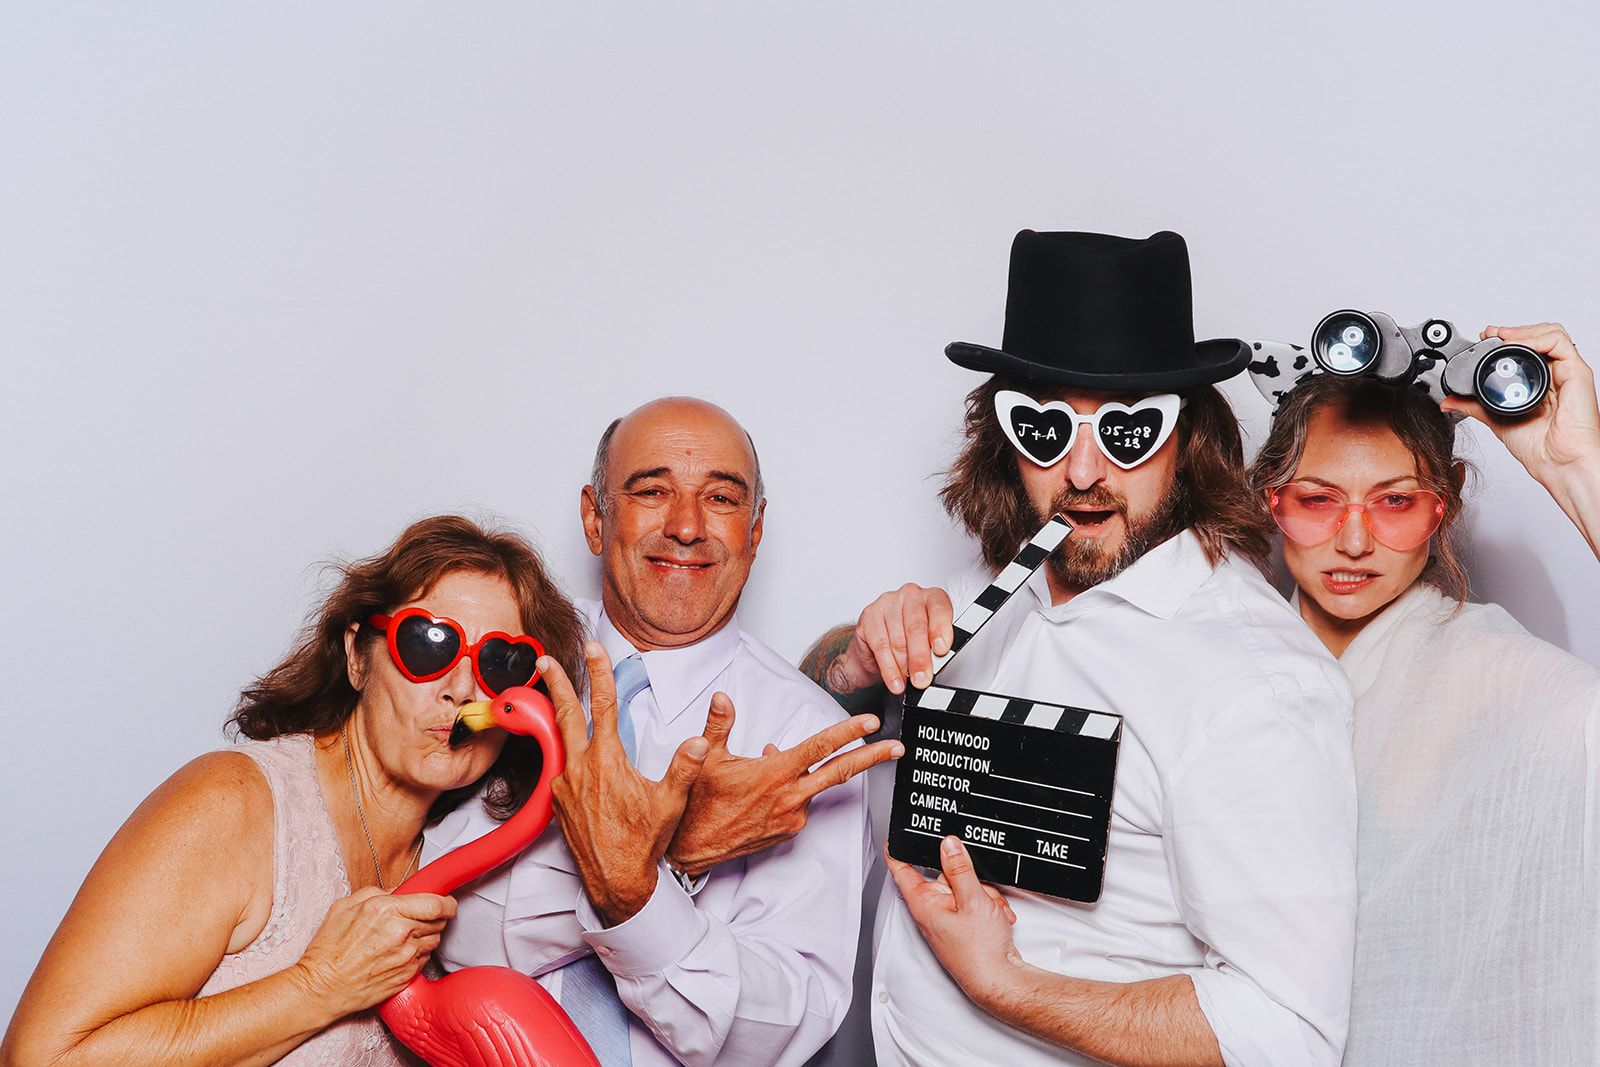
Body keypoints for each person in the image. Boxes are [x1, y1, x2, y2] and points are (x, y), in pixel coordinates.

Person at [809, 230, 1359, 1066]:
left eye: (1129, 432)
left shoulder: (1252, 685)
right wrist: (855, 658)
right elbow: (821, 701)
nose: (1084, 471)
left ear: (1189, 436)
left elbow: (1290, 1029)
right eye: (1044, 429)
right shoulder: (995, 589)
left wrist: (1007, 985)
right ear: (1004, 437)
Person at [0, 515, 588, 1067]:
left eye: (500, 664)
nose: (461, 689)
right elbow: (43, 1057)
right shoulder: (235, 803)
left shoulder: (468, 869)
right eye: (429, 644)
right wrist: (319, 986)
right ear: (359, 655)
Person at [427, 397, 898, 1067]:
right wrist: (670, 853)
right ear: (595, 517)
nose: (686, 526)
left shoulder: (801, 737)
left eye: (722, 499)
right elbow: (446, 924)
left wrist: (633, 888)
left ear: (755, 531)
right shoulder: (511, 660)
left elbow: (780, 1025)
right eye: (652, 490)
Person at [1247, 323, 1600, 1063]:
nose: (1353, 541)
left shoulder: (1496, 674)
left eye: (1396, 502)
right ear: (1268, 500)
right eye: (1316, 500)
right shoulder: (1219, 659)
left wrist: (1578, 470)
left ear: (1448, 503)